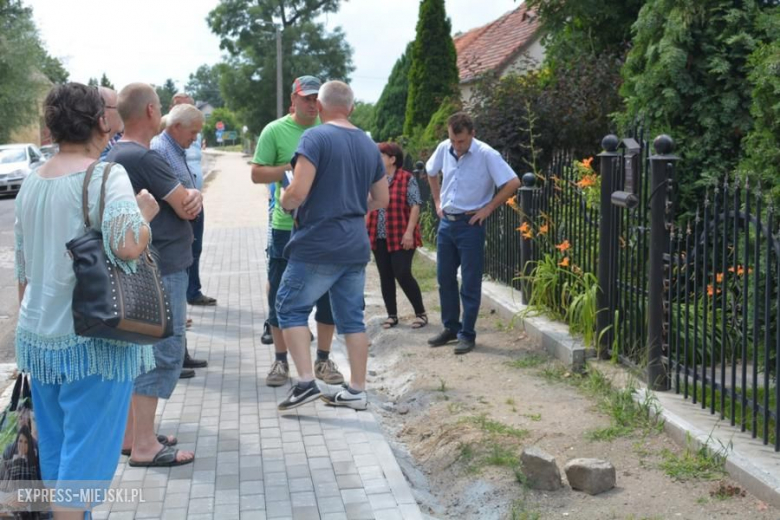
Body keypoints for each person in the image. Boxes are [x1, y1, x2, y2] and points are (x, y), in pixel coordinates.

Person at [14, 82, 158, 517]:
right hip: (94, 339)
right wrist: (145, 216)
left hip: (39, 338)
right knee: (84, 466)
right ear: (101, 121)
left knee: (59, 456)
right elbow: (129, 244)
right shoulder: (106, 174)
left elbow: (24, 273)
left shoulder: (31, 184)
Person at [276, 80, 388, 411]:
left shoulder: (315, 137)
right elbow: (381, 199)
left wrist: (285, 199)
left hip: (318, 243)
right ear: (351, 108)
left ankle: (307, 382)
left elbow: (296, 193)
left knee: (289, 307)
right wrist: (350, 204)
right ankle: (357, 390)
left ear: (320, 107)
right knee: (352, 318)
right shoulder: (369, 144)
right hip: (355, 243)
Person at [108, 83, 201, 468]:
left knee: (142, 351)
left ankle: (133, 436)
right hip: (162, 268)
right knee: (160, 354)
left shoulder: (118, 152)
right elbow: (185, 206)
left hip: (147, 265)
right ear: (149, 111)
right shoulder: (144, 158)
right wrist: (191, 199)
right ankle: (145, 445)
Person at [250, 76, 344, 388]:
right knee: (280, 294)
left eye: (315, 98)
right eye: (305, 97)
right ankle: (280, 361)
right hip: (286, 226)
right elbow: (256, 172)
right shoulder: (275, 131)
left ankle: (324, 359)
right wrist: (294, 168)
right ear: (294, 98)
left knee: (328, 293)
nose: (310, 103)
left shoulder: (331, 129)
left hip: (325, 225)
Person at [425, 112, 521, 354]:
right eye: (453, 141)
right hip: (447, 222)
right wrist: (437, 201)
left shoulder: (487, 154)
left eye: (462, 142)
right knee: (444, 278)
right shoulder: (444, 148)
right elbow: (430, 171)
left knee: (469, 281)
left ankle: (467, 334)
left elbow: (513, 182)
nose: (457, 147)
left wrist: (488, 208)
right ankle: (450, 327)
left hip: (471, 225)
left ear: (472, 135)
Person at [150, 103, 209, 374]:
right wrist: (192, 197)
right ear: (176, 127)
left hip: (181, 236)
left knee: (177, 304)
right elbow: (181, 200)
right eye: (193, 132)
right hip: (169, 239)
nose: (195, 138)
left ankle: (180, 354)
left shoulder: (175, 148)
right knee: (171, 307)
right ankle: (171, 362)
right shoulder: (161, 151)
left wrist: (193, 195)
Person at [366, 142, 427, 329]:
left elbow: (415, 205)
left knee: (402, 272)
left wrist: (409, 232)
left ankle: (420, 313)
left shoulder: (407, 178)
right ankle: (392, 315)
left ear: (392, 159)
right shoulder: (374, 179)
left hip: (401, 234)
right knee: (385, 275)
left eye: (380, 156)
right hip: (378, 234)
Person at [170, 93, 218, 308]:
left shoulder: (194, 136)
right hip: (180, 201)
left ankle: (192, 290)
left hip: (195, 200)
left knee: (196, 247)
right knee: (182, 250)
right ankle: (179, 298)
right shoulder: (166, 137)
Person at [98, 86, 124, 160]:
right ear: (103, 112)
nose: (123, 112)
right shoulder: (99, 152)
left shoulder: (113, 140)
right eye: (119, 107)